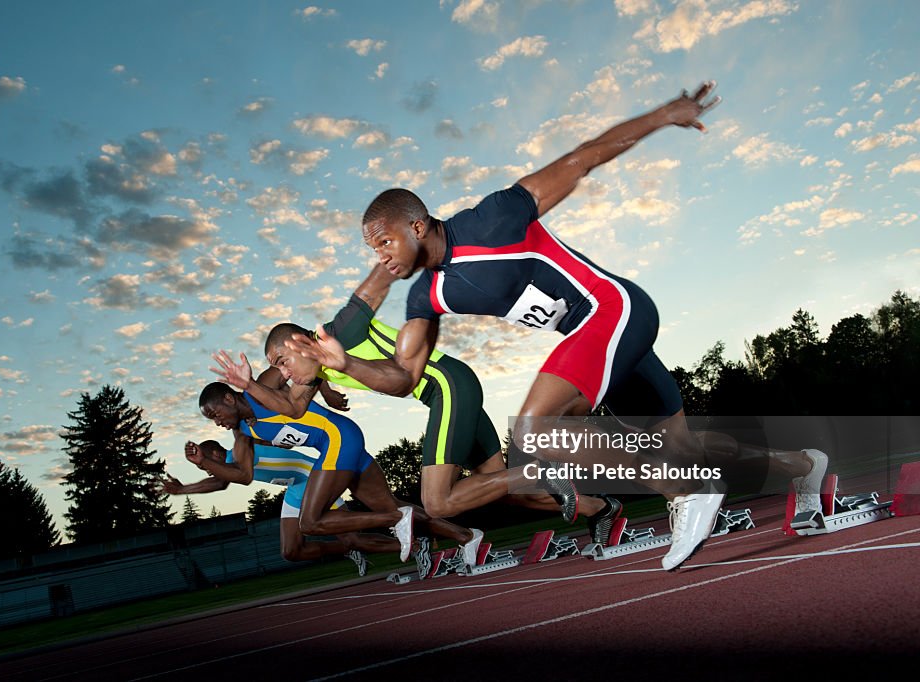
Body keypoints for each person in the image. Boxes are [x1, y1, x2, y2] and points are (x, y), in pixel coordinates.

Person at [287, 82, 828, 570]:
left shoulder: (495, 217)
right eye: (371, 249)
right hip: (601, 344)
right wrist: (345, 362)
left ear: (417, 224)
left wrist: (664, 114)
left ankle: (683, 494)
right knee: (681, 444)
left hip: (615, 311)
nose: (380, 257)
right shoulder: (425, 298)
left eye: (384, 241)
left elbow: (582, 159)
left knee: (535, 430)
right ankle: (802, 465)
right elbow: (406, 377)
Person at [211, 263, 624, 545]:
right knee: (503, 490)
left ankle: (537, 471)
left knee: (438, 501)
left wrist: (395, 254)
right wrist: (249, 384)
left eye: (281, 362)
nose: (282, 373)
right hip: (446, 393)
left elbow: (374, 285)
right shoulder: (316, 371)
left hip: (448, 385)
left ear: (300, 343)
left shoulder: (341, 331)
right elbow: (294, 410)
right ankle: (601, 508)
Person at [195, 381, 486, 569]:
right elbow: (243, 475)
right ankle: (468, 536)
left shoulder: (260, 389)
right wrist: (204, 463)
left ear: (228, 399)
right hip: (342, 445)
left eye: (215, 413)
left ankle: (396, 521)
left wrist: (327, 390)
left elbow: (305, 365)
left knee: (310, 522)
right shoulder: (243, 432)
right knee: (392, 504)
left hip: (336, 440)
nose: (216, 421)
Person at [161, 439, 405, 576]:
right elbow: (220, 480)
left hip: (313, 477)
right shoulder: (226, 466)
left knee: (354, 538)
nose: (204, 469)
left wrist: (194, 477)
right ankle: (346, 548)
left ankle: (410, 544)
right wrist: (182, 490)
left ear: (215, 453)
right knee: (291, 551)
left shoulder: (238, 452)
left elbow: (221, 481)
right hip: (294, 487)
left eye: (205, 464)